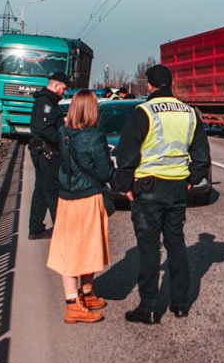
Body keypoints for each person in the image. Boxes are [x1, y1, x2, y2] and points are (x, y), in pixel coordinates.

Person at [114, 64, 211, 323]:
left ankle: (150, 307)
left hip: (148, 188)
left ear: (150, 86)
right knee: (176, 243)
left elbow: (127, 153)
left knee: (148, 248)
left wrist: (123, 186)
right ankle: (180, 303)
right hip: (178, 188)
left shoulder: (144, 112)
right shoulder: (189, 113)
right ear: (171, 84)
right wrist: (193, 178)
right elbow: (202, 155)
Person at [47, 89, 112, 324]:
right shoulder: (95, 136)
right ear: (93, 109)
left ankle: (83, 294)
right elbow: (105, 172)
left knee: (69, 247)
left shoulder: (63, 133)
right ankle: (74, 302)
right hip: (88, 197)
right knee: (86, 248)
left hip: (66, 197)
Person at [27, 71, 70, 239]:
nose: (64, 92)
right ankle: (60, 230)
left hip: (43, 152)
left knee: (41, 190)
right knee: (52, 190)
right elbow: (43, 129)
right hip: (47, 153)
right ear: (56, 85)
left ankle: (36, 228)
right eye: (64, 88)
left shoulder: (47, 101)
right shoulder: (46, 103)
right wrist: (62, 140)